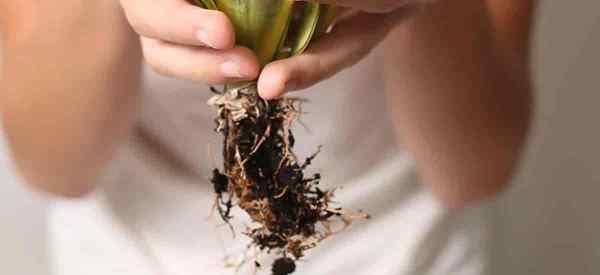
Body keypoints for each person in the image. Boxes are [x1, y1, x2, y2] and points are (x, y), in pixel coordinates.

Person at [0, 0, 535, 274]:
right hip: (129, 255)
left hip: (405, 253)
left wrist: (425, 5)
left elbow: (478, 169)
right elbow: (54, 166)